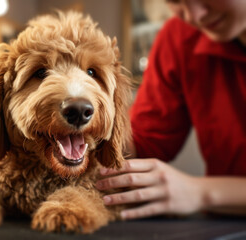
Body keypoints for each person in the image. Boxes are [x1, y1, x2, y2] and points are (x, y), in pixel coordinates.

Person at [96, 0, 246, 220]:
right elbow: (143, 143)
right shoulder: (180, 36)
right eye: (174, 1)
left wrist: (199, 192)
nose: (194, 16)